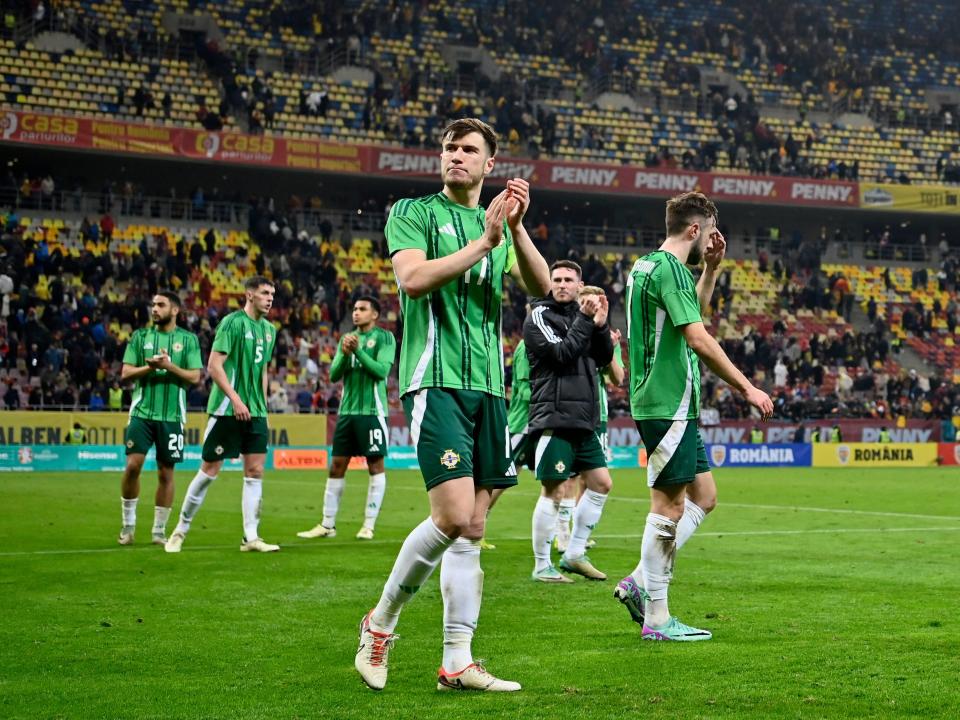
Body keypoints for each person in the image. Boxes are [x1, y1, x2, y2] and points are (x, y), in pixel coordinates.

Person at [353, 118, 550, 692]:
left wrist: (515, 229)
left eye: (469, 151)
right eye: (449, 148)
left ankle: (457, 661)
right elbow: (412, 280)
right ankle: (379, 625)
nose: (456, 157)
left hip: (490, 388)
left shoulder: (497, 222)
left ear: (490, 166)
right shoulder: (412, 212)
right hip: (434, 379)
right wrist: (485, 242)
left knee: (474, 527)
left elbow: (539, 287)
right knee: (453, 516)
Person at [616, 191, 773, 641]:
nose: (711, 239)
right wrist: (747, 388)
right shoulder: (667, 270)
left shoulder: (650, 266)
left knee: (704, 497)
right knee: (668, 508)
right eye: (708, 231)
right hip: (667, 403)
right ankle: (658, 619)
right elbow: (699, 337)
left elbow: (691, 313)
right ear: (693, 230)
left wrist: (711, 269)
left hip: (671, 403)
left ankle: (639, 582)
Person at [165, 276, 280, 553]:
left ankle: (251, 537)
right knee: (209, 470)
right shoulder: (231, 323)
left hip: (255, 411)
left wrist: (261, 406)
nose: (270, 298)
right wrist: (237, 400)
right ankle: (180, 530)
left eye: (272, 294)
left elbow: (263, 370)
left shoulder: (269, 330)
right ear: (249, 295)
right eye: (265, 293)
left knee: (255, 471)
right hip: (226, 409)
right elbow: (214, 366)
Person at [524, 263, 614, 583]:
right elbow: (561, 354)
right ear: (550, 284)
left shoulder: (584, 317)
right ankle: (541, 565)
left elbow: (602, 360)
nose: (562, 285)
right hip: (555, 416)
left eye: (568, 280)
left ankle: (574, 553)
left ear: (580, 285)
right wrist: (587, 320)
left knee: (601, 483)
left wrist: (601, 327)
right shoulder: (539, 316)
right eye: (557, 280)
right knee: (555, 490)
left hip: (583, 419)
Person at [298, 296, 396, 540]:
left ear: (374, 314)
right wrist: (343, 353)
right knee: (337, 465)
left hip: (372, 412)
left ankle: (368, 525)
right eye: (354, 309)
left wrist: (359, 351)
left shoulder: (385, 338)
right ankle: (327, 525)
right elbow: (333, 375)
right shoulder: (346, 338)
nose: (356, 313)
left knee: (375, 465)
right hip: (347, 413)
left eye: (362, 309)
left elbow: (381, 371)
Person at [118, 292, 202, 545]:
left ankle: (158, 531)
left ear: (174, 310)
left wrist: (169, 366)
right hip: (142, 413)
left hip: (172, 416)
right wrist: (151, 367)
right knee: (133, 465)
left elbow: (195, 377)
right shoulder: (140, 337)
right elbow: (125, 373)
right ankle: (128, 525)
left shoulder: (188, 340)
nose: (154, 309)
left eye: (160, 305)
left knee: (166, 473)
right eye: (153, 304)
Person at [557, 286, 624, 554]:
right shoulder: (567, 330)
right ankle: (562, 534)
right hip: (571, 411)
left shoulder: (605, 336)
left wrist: (609, 350)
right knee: (570, 477)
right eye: (584, 302)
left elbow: (618, 379)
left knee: (591, 479)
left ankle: (576, 535)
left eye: (594, 303)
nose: (589, 307)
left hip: (599, 414)